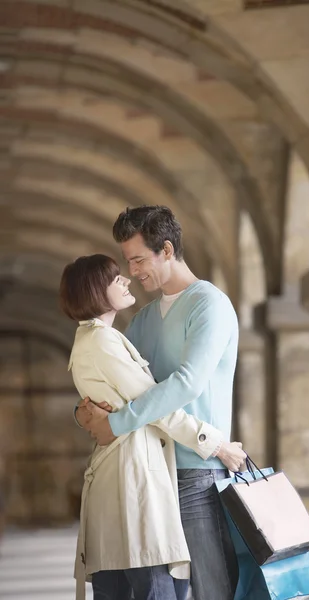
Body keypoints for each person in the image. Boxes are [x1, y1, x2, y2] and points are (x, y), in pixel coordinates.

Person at [77, 205, 244, 600]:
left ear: (166, 250)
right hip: (150, 475)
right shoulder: (143, 319)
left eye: (138, 260)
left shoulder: (210, 305)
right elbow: (117, 385)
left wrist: (115, 424)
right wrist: (85, 413)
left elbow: (187, 383)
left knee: (211, 590)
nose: (132, 272)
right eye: (127, 262)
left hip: (196, 475)